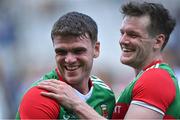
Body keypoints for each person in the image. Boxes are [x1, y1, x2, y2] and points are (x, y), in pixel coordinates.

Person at [37, 1, 180, 119]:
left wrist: (76, 103)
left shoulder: (156, 78)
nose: (123, 40)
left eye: (133, 35)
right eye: (122, 33)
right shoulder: (145, 78)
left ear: (158, 41)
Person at [16, 11, 115, 119]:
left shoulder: (105, 95)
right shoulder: (41, 96)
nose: (69, 59)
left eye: (78, 51)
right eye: (61, 52)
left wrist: (78, 105)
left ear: (96, 49)